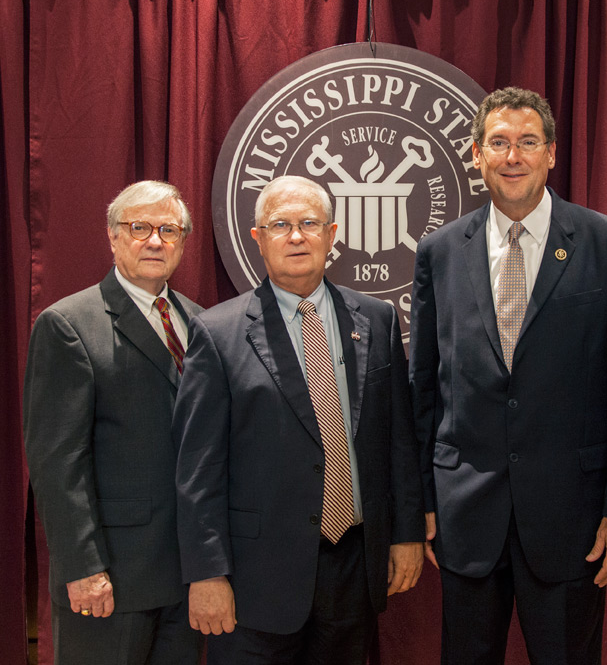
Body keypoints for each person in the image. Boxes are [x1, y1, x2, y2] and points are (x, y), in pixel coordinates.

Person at [409, 86, 607, 664]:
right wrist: (421, 497)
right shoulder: (439, 251)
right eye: (498, 142)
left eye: (526, 142)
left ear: (550, 153)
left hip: (574, 520)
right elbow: (424, 386)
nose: (512, 155)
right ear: (476, 154)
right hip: (466, 517)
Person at [173, 175, 425, 664]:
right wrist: (206, 574)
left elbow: (397, 440)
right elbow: (197, 469)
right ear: (258, 239)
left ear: (331, 236)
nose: (296, 236)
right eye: (281, 225)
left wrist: (406, 532)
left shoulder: (377, 318)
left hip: (354, 567)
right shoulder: (218, 332)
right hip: (255, 581)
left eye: (309, 223)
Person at [23, 181, 202, 664]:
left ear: (183, 242)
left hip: (189, 579)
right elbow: (57, 464)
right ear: (113, 237)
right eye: (139, 227)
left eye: (168, 229)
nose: (154, 240)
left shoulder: (201, 322)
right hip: (110, 580)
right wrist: (82, 568)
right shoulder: (69, 325)